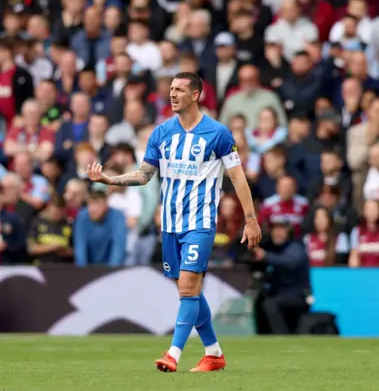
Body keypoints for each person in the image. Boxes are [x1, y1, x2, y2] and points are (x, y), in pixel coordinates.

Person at [86, 72, 262, 372]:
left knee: (188, 288)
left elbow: (238, 179)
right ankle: (214, 353)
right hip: (169, 225)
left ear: (196, 95)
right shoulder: (162, 133)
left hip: (200, 222)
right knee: (188, 289)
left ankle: (173, 354)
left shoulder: (218, 133)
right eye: (171, 89)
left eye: (180, 89)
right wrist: (109, 179)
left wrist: (251, 220)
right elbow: (144, 175)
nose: (173, 94)